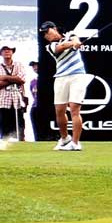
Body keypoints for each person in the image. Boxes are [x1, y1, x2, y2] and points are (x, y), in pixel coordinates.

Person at [39, 21, 92, 151]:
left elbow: (75, 38)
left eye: (47, 31)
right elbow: (60, 48)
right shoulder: (50, 46)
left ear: (54, 28)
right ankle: (64, 139)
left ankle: (75, 143)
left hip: (77, 76)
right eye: (44, 34)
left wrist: (75, 42)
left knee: (74, 108)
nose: (46, 35)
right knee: (60, 110)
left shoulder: (70, 34)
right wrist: (72, 44)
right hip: (61, 77)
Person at [0, 43, 26, 141]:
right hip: (2, 102)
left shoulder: (19, 65)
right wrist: (13, 79)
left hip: (17, 101)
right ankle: (5, 143)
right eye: (4, 50)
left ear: (12, 52)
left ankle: (21, 144)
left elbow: (21, 79)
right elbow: (17, 79)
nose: (7, 51)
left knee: (19, 125)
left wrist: (5, 78)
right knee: (4, 126)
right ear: (1, 53)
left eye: (9, 49)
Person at [29, 61, 41, 141]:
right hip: (35, 107)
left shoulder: (50, 79)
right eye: (33, 66)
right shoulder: (33, 82)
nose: (35, 67)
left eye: (36, 65)